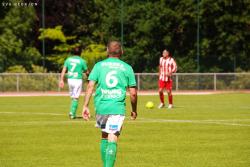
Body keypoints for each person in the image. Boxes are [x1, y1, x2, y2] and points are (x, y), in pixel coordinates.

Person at [82, 40, 137, 167]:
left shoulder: (98, 66)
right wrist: (134, 109)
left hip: (101, 107)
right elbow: (133, 93)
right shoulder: (127, 67)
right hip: (116, 107)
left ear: (107, 51)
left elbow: (90, 86)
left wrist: (85, 105)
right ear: (121, 51)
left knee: (104, 135)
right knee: (113, 137)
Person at [59, 47, 89, 119]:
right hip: (77, 80)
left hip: (70, 80)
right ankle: (72, 113)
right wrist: (89, 78)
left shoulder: (68, 60)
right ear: (80, 53)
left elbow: (64, 70)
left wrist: (61, 80)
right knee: (76, 97)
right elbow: (87, 71)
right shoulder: (82, 61)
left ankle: (72, 112)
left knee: (73, 97)